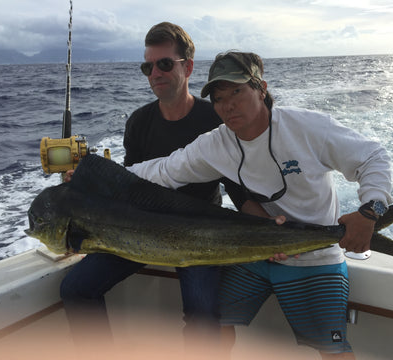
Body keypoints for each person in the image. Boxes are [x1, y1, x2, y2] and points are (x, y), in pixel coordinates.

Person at [127, 51, 392, 359]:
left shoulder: (306, 127)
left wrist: (371, 212)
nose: (228, 105)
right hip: (257, 253)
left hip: (314, 258)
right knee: (214, 324)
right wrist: (99, 173)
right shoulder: (217, 143)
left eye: (237, 91)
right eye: (219, 98)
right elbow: (164, 170)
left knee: (333, 350)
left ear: (261, 89)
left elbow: (373, 156)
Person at [60, 23, 244, 353]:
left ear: (187, 66)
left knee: (203, 313)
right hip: (139, 229)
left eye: (164, 63)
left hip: (199, 234)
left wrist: (269, 226)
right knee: (75, 288)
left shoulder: (214, 119)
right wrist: (87, 191)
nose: (154, 73)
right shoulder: (138, 121)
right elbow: (129, 188)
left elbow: (239, 183)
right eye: (148, 66)